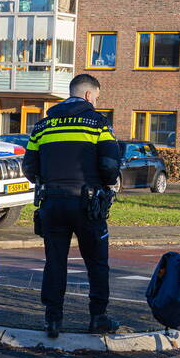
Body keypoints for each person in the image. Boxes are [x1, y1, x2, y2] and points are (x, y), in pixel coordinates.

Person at [22, 73, 120, 338]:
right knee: (97, 263)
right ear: (88, 95)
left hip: (52, 203)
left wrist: (49, 181)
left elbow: (28, 167)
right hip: (88, 205)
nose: (97, 103)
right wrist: (107, 183)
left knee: (55, 263)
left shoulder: (42, 126)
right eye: (97, 98)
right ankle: (97, 318)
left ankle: (52, 320)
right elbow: (110, 165)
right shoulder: (98, 124)